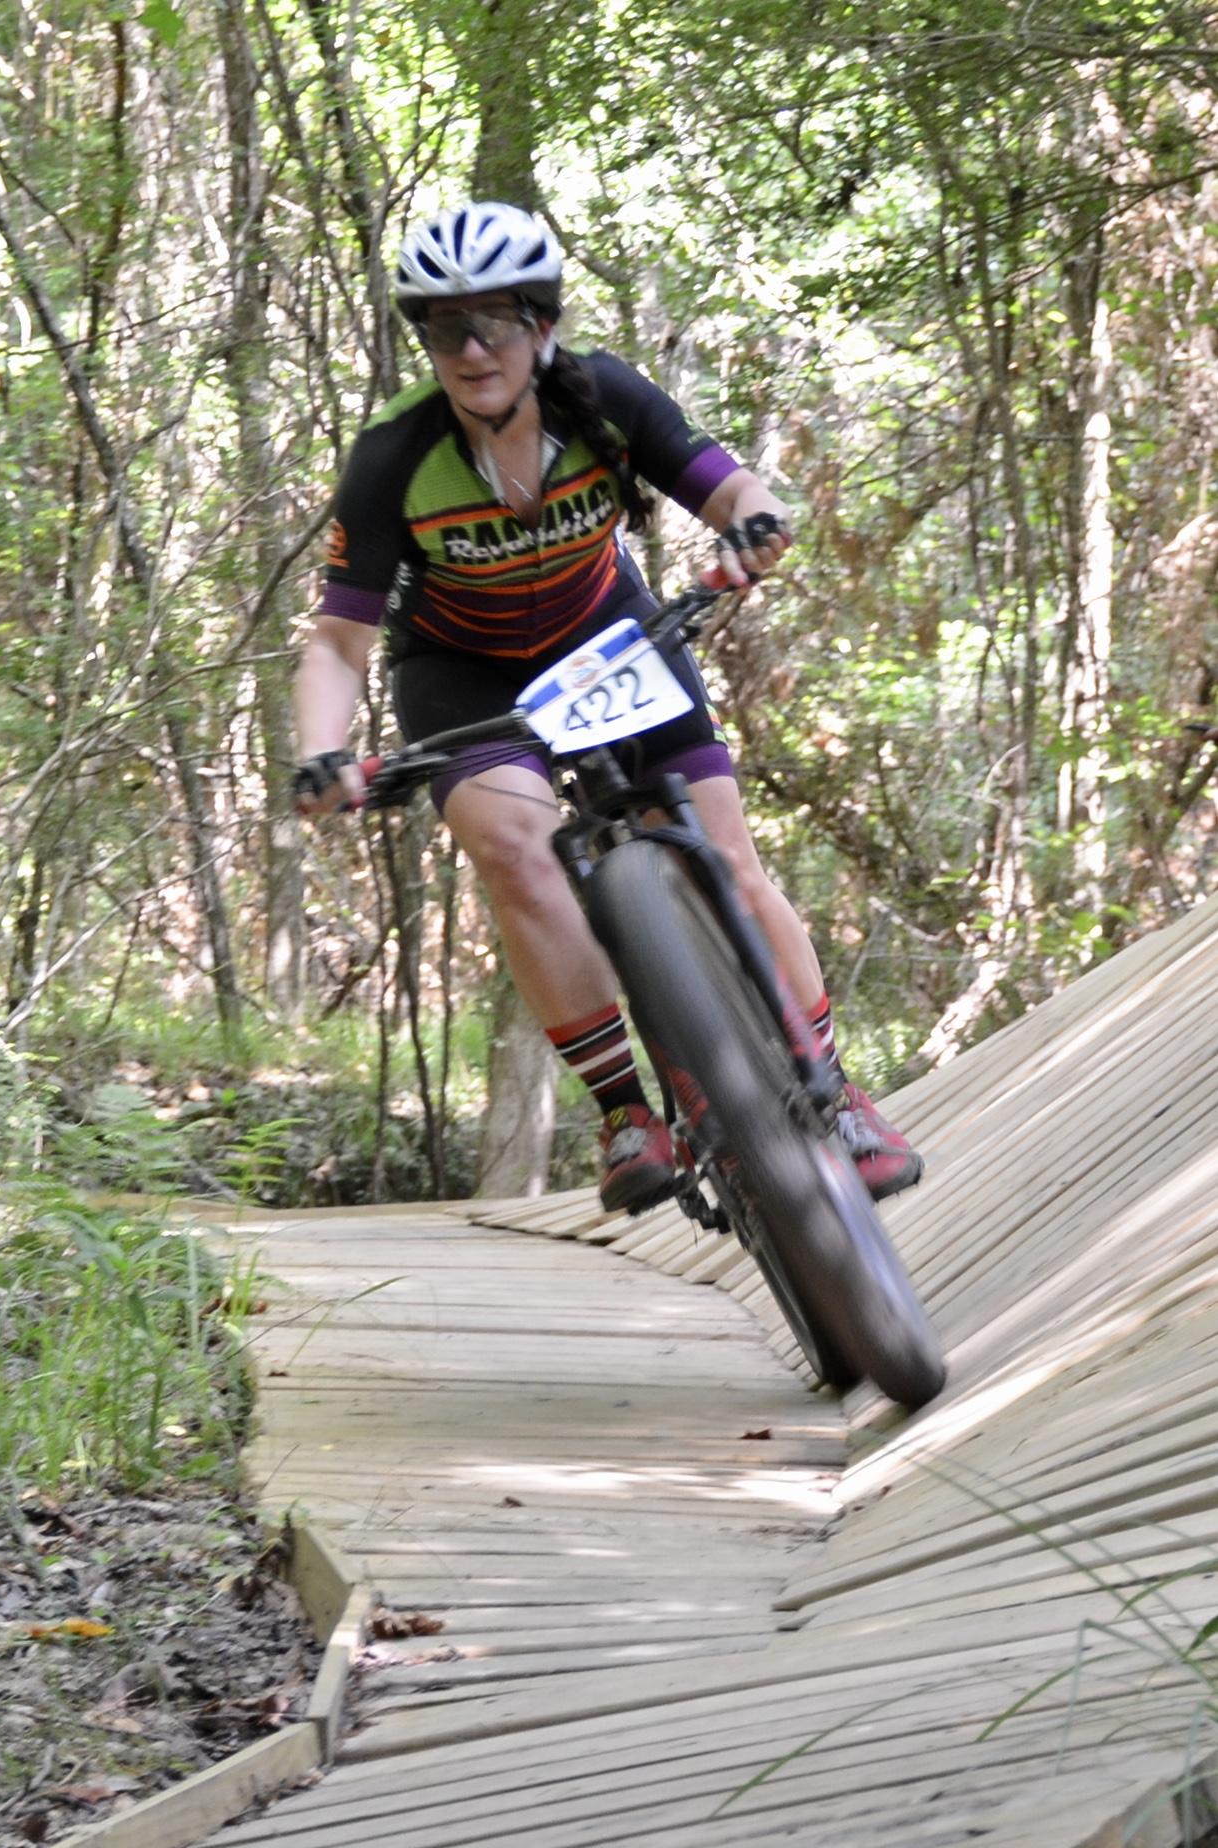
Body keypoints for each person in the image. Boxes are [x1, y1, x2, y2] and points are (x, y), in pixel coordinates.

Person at [293, 200, 922, 1213]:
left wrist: (754, 524)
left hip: (606, 641)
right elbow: (336, 639)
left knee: (726, 853)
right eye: (445, 328)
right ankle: (626, 1109)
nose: (471, 349)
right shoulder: (394, 454)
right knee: (514, 850)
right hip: (462, 670)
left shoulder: (606, 395)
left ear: (541, 324)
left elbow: (731, 489)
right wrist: (323, 748)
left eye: (494, 320)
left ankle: (835, 1090)